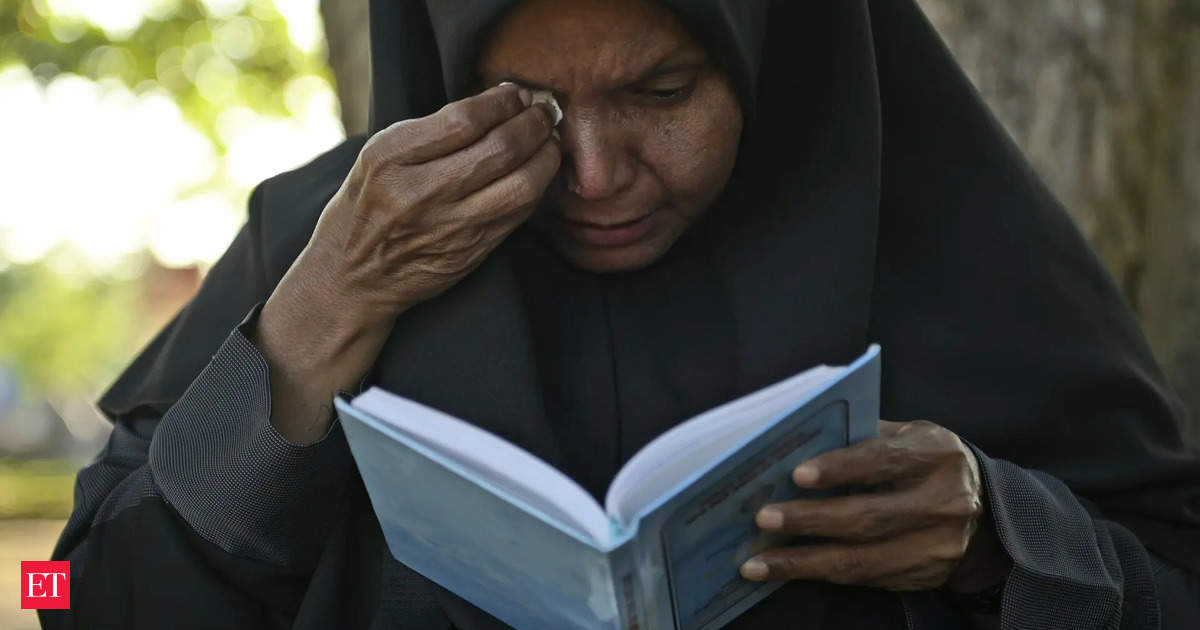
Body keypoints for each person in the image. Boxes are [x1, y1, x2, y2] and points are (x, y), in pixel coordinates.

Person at [41, 0, 1200, 628]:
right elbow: (69, 601)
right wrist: (310, 326)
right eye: (529, 106)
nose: (594, 175)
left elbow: (1172, 578)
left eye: (660, 92)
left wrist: (1005, 538)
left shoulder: (956, 235)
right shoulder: (332, 237)